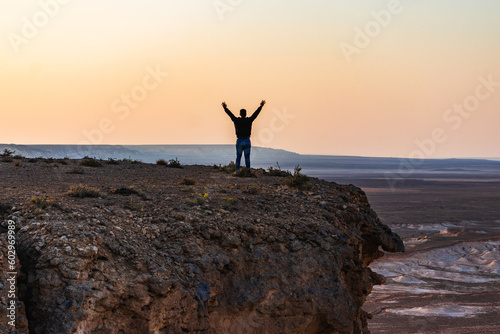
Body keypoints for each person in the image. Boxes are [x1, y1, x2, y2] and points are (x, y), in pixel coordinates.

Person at [222, 100, 266, 170]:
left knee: (238, 157)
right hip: (247, 140)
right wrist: (260, 106)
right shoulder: (249, 120)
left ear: (240, 114)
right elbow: (255, 114)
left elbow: (230, 115)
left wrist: (225, 108)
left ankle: (237, 171)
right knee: (247, 157)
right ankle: (248, 171)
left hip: (239, 140)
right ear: (246, 114)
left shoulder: (236, 120)